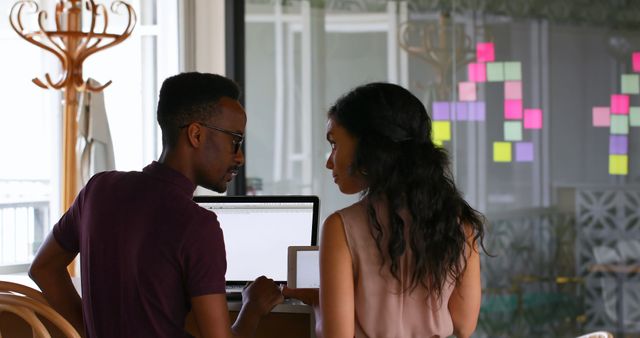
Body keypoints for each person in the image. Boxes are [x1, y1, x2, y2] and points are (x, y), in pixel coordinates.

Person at [29, 72, 284, 338]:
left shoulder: (98, 189)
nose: (240, 157)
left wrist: (87, 330)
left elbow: (44, 268)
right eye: (235, 141)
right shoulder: (197, 225)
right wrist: (252, 307)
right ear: (195, 135)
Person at [284, 82, 485, 338]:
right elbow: (464, 324)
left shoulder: (341, 227)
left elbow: (338, 335)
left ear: (370, 147)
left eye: (334, 144)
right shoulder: (459, 223)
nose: (329, 161)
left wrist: (318, 302)